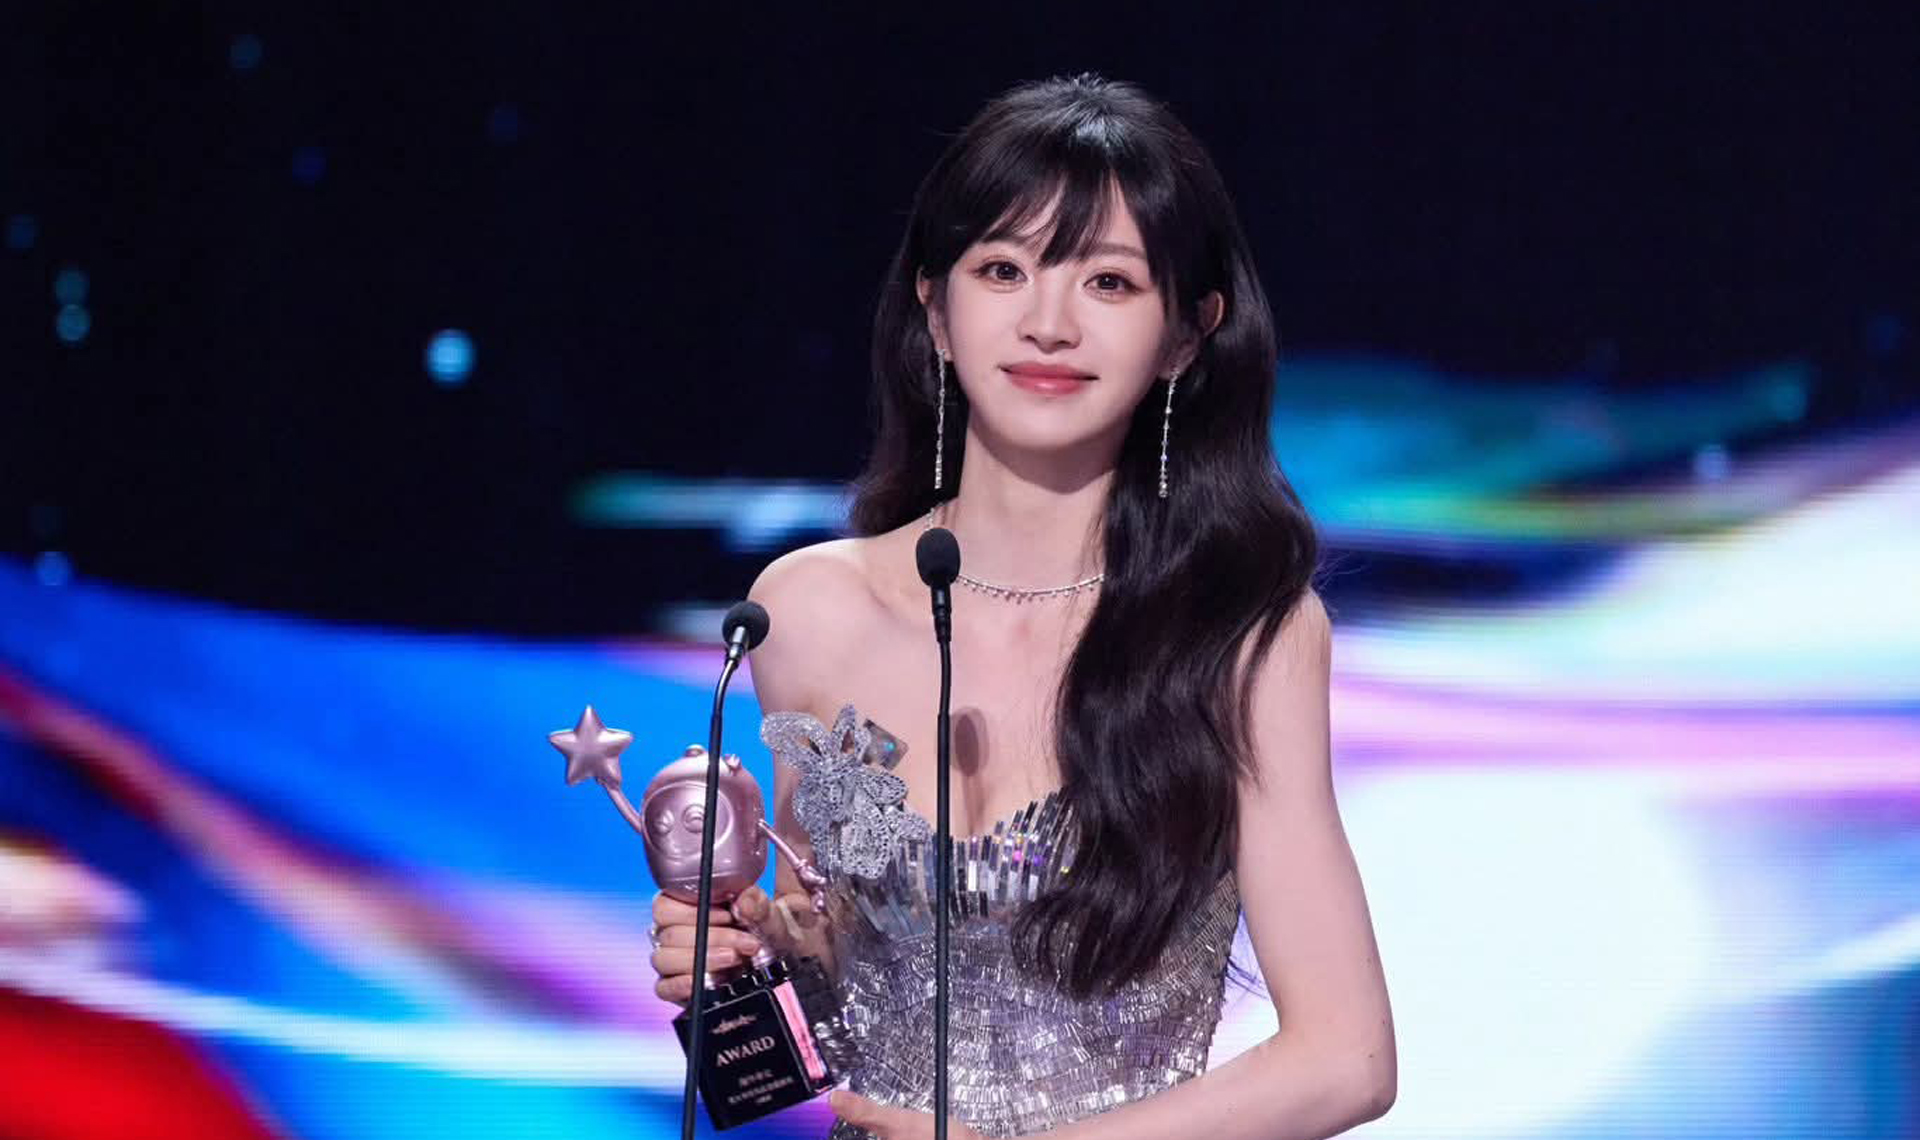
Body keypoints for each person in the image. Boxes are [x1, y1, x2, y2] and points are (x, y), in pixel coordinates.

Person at [649, 73, 1395, 1140]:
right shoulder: (806, 611)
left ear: (1187, 335)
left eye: (1109, 282)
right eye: (1003, 269)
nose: (1048, 323)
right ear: (936, 311)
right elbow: (855, 976)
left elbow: (1347, 1058)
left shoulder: (1241, 632)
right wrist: (754, 956)